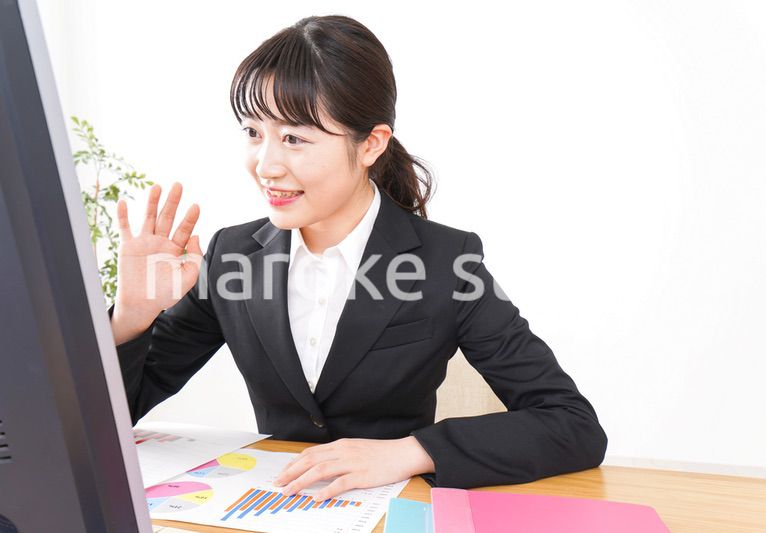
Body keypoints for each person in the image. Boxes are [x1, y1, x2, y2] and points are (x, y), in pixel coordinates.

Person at [109, 14, 607, 502]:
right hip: (270, 507)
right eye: (253, 132)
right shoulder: (232, 257)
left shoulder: (447, 264)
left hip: (396, 509)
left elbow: (571, 424)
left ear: (371, 144)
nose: (266, 165)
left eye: (294, 138)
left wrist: (410, 452)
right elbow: (112, 416)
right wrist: (131, 317)